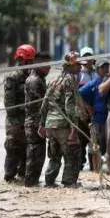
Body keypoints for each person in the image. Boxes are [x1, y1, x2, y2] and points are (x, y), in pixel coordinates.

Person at [39, 51, 82, 187]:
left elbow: (44, 103)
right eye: (78, 65)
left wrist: (42, 124)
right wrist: (74, 127)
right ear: (70, 66)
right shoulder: (70, 80)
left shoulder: (53, 79)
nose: (80, 68)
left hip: (51, 125)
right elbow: (69, 105)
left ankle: (49, 182)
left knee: (54, 156)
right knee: (72, 154)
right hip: (64, 125)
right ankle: (69, 183)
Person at [4, 44, 36, 182]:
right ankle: (9, 177)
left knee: (26, 149)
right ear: (23, 60)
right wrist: (15, 122)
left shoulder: (30, 75)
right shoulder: (12, 77)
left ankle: (23, 176)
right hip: (15, 121)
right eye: (30, 61)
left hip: (27, 120)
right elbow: (9, 102)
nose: (32, 64)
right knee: (13, 148)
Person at [23, 51, 51, 186]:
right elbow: (42, 104)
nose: (49, 68)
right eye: (46, 65)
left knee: (38, 154)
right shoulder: (35, 81)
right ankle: (30, 184)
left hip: (37, 121)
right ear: (38, 63)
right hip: (34, 122)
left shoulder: (40, 79)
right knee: (34, 155)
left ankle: (33, 183)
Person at [79, 59, 110, 172]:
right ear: (97, 70)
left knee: (108, 144)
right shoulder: (95, 83)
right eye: (102, 67)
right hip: (97, 117)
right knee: (95, 145)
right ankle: (95, 170)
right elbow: (79, 93)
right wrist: (88, 107)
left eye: (107, 66)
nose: (105, 69)